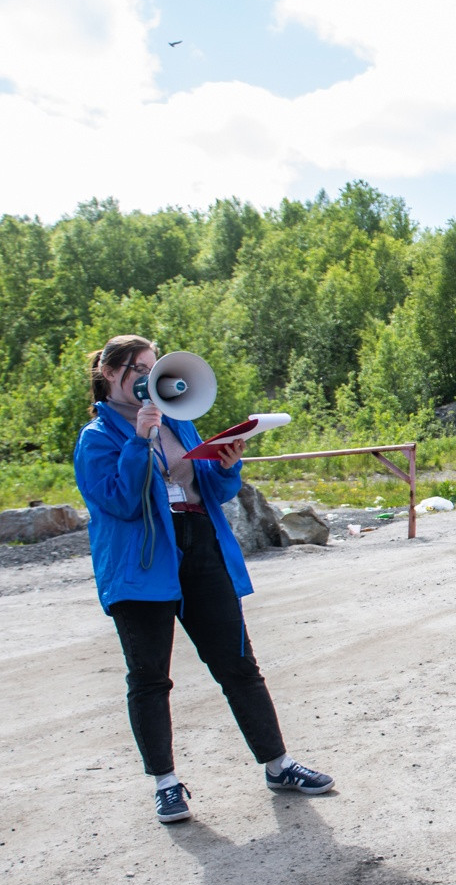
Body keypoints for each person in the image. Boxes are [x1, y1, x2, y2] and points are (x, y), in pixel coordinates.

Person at [74, 335, 333, 826]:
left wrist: (226, 464)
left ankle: (278, 765)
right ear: (110, 373)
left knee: (238, 664)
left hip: (200, 545)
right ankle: (166, 784)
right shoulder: (97, 439)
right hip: (141, 565)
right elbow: (121, 502)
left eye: (154, 368)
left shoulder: (180, 422)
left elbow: (210, 488)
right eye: (139, 369)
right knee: (150, 678)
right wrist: (139, 439)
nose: (151, 379)